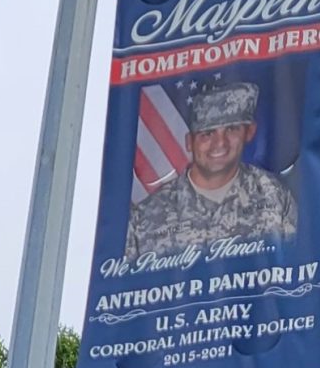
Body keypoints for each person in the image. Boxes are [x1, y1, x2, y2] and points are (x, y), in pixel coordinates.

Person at [125, 82, 297, 259]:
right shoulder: (146, 216)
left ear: (249, 132)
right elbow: (129, 283)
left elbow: (295, 265)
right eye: (207, 134)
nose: (220, 144)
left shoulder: (273, 195)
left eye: (231, 129)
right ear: (189, 142)